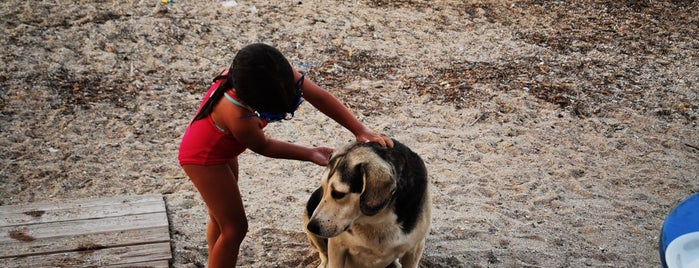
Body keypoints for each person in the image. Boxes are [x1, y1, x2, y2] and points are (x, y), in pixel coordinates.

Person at [177, 43, 393, 267]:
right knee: (234, 228)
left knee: (221, 220)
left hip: (221, 149)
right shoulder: (237, 115)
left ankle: (217, 259)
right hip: (204, 159)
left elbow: (318, 96)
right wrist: (309, 153)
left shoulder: (271, 72)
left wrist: (359, 130)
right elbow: (264, 146)